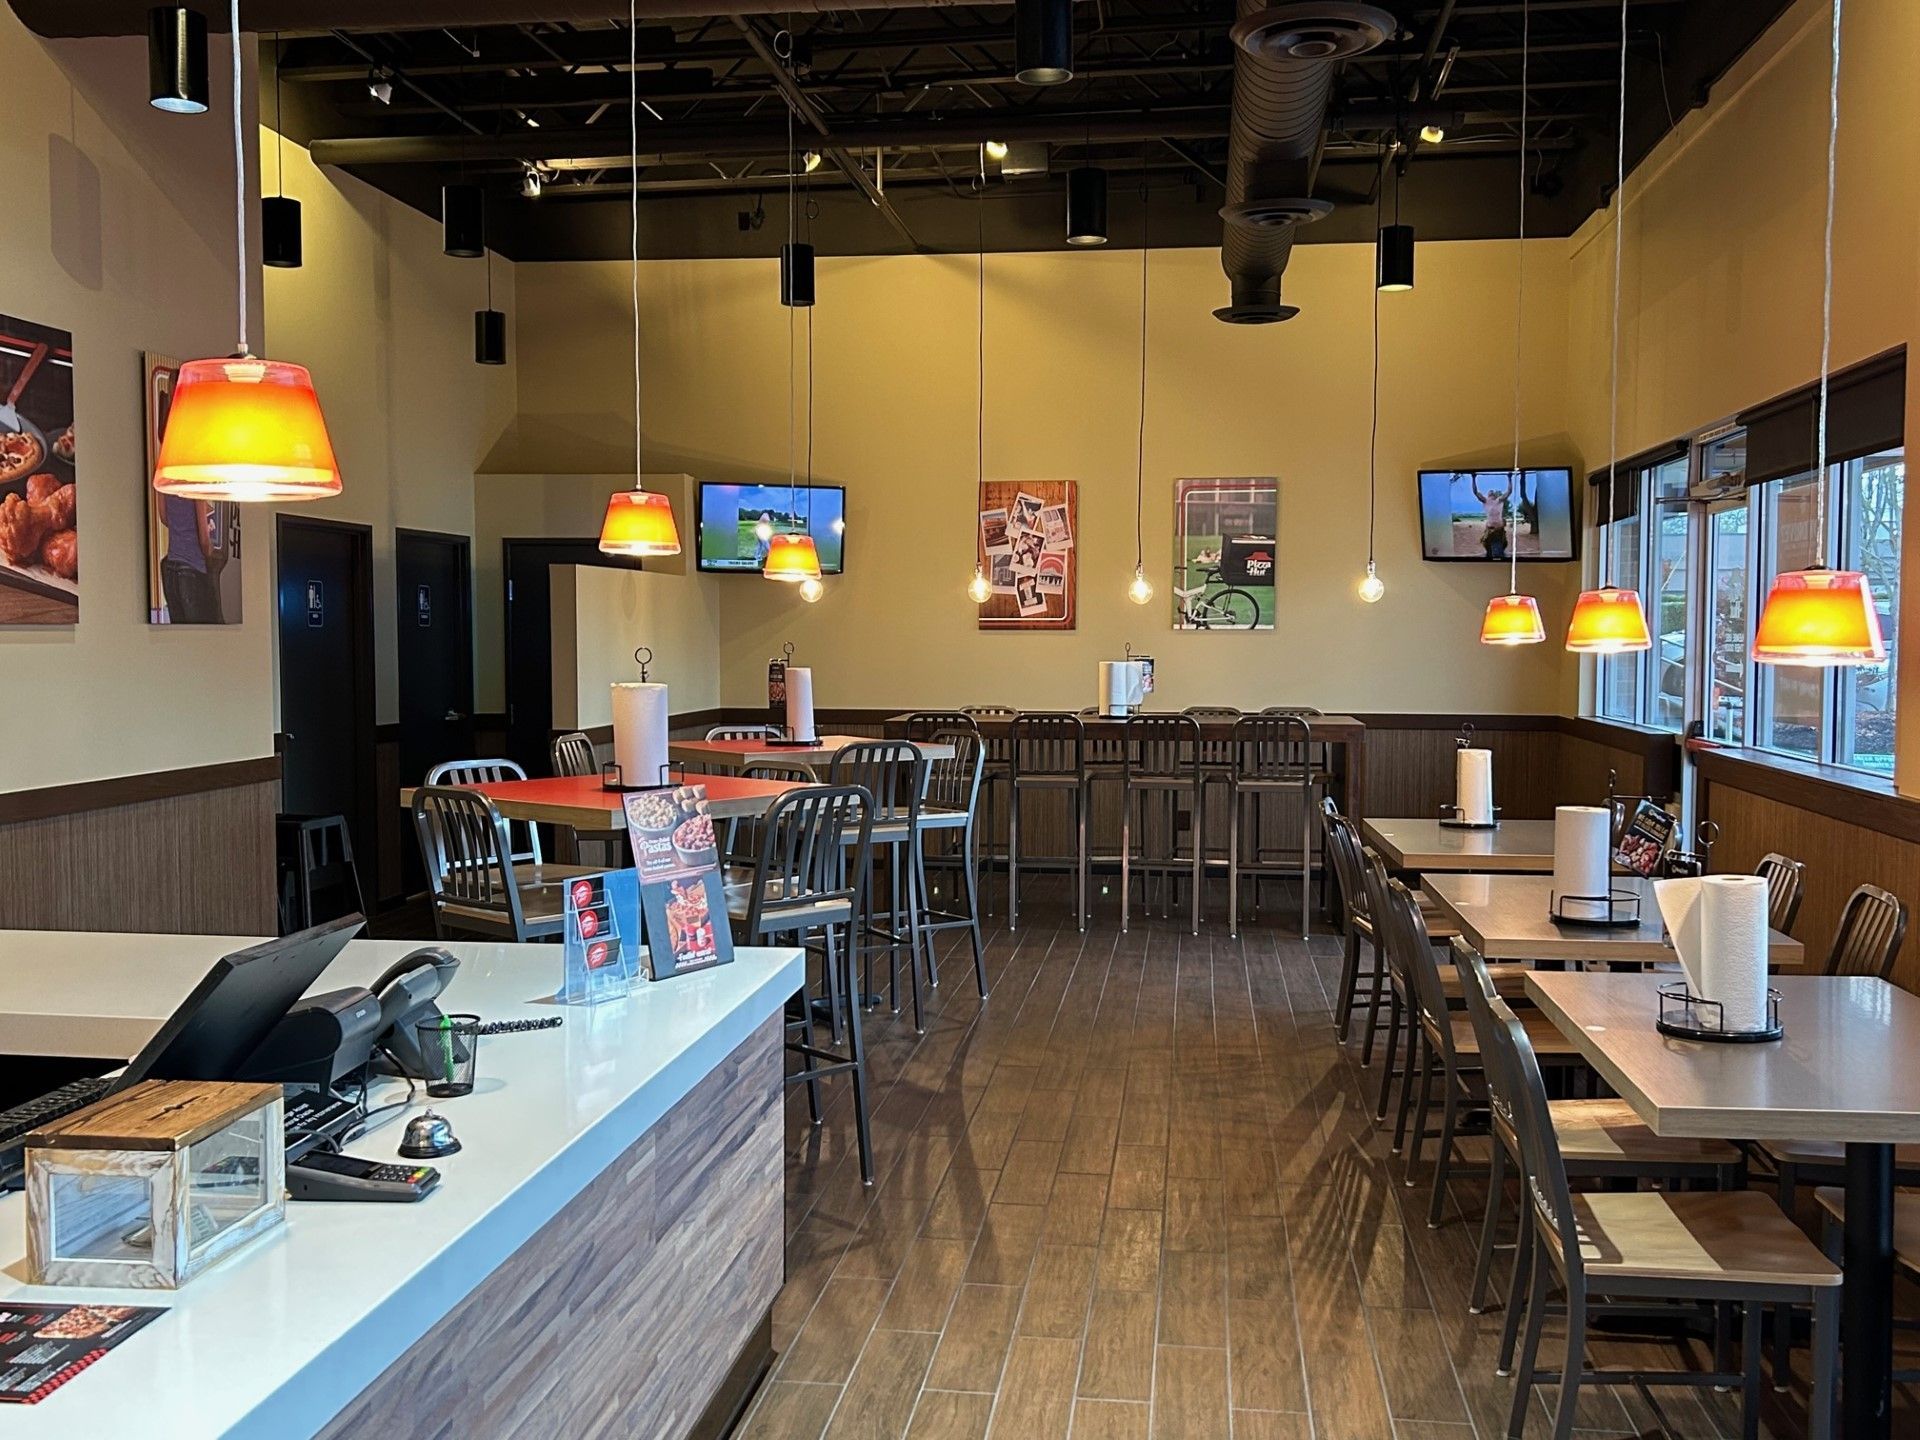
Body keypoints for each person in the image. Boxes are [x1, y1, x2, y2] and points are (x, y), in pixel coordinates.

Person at [157, 492, 221, 623]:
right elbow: (204, 540)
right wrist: (211, 552)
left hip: (171, 566)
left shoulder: (164, 477)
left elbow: (163, 517)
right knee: (202, 633)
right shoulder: (194, 483)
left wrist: (181, 528)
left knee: (181, 633)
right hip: (193, 566)